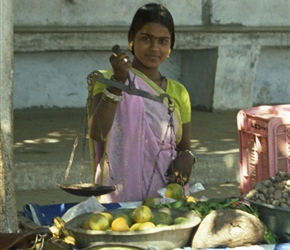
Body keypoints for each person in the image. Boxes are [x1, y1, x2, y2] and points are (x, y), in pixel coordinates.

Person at [88, 3, 195, 203]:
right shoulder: (107, 79)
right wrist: (118, 83)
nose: (154, 48)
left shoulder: (179, 92)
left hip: (166, 196)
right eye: (146, 39)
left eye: (163, 41)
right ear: (131, 40)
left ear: (170, 47)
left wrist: (188, 158)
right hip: (118, 197)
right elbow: (98, 132)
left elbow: (184, 147)